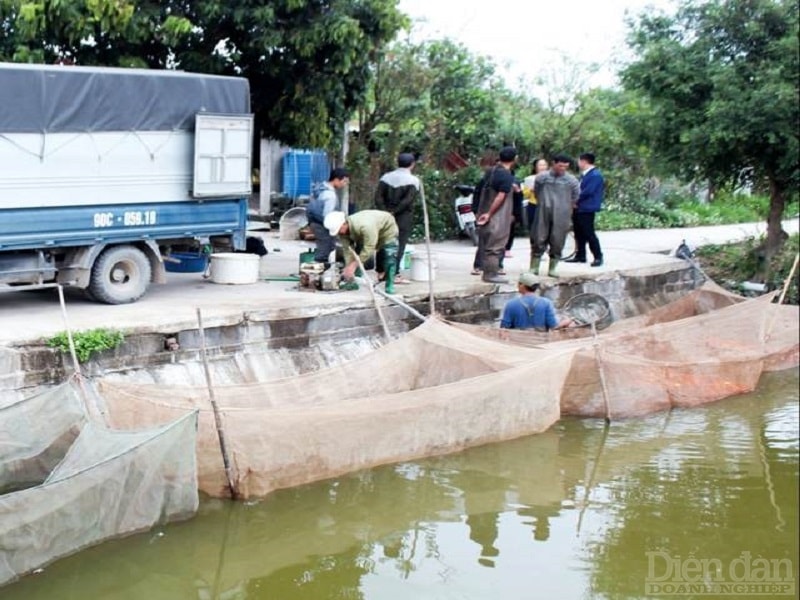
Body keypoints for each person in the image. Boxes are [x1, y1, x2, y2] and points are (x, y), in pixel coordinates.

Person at [324, 209, 400, 294]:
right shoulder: (343, 231)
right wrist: (349, 266)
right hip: (366, 233)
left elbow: (369, 248)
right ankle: (354, 281)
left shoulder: (365, 226)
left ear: (344, 223)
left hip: (387, 229)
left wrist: (353, 265)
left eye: (339, 230)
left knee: (390, 256)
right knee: (358, 254)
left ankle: (389, 285)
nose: (338, 233)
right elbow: (347, 249)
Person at [530, 153, 580, 278]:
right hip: (543, 210)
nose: (562, 169)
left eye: (565, 167)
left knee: (558, 240)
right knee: (538, 237)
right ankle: (534, 266)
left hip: (562, 213)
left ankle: (553, 267)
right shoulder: (542, 177)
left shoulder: (571, 180)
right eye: (560, 166)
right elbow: (536, 192)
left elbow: (575, 197)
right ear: (554, 163)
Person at [374, 152, 420, 285]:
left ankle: (380, 271)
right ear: (412, 164)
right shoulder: (413, 181)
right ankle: (393, 274)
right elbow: (408, 201)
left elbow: (378, 197)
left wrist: (386, 211)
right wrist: (394, 212)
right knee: (398, 244)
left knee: (383, 241)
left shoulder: (386, 177)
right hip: (402, 217)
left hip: (384, 216)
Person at [475, 146, 517, 283]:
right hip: (496, 216)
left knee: (486, 245)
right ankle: (490, 274)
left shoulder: (490, 171)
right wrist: (489, 213)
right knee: (495, 247)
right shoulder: (506, 175)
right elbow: (500, 196)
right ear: (514, 159)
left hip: (483, 212)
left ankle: (485, 270)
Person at [566, 152, 604, 267]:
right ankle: (580, 255)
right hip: (579, 207)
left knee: (588, 232)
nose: (578, 163)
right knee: (578, 232)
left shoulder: (595, 175)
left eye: (579, 161)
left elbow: (587, 192)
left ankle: (598, 256)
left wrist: (575, 200)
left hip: (587, 208)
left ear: (584, 161)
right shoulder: (585, 175)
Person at [500, 272, 572, 330]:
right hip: (541, 341)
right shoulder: (546, 303)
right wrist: (566, 322)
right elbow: (553, 326)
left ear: (522, 286)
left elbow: (504, 328)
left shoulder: (511, 304)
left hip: (517, 342)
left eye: (519, 283)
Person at [306, 168, 349, 264]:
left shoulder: (320, 188)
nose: (344, 184)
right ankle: (316, 272)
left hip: (314, 221)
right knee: (325, 250)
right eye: (344, 181)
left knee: (324, 248)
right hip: (322, 224)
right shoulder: (330, 195)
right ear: (336, 180)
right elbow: (327, 216)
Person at [522, 158, 549, 232]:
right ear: (536, 167)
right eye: (540, 165)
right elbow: (525, 195)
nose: (543, 167)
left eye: (544, 165)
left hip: (547, 205)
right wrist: (531, 189)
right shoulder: (529, 179)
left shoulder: (552, 178)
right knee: (533, 228)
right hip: (534, 204)